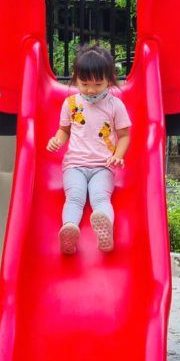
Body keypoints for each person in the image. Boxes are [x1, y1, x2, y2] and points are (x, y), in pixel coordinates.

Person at [46, 44, 131, 254]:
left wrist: (118, 156)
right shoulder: (71, 103)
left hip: (103, 166)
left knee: (100, 197)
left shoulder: (115, 105)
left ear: (109, 79)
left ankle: (106, 229)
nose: (91, 89)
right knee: (74, 196)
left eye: (98, 83)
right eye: (84, 84)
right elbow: (64, 130)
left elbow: (124, 135)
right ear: (75, 78)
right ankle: (69, 229)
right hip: (74, 165)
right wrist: (56, 140)